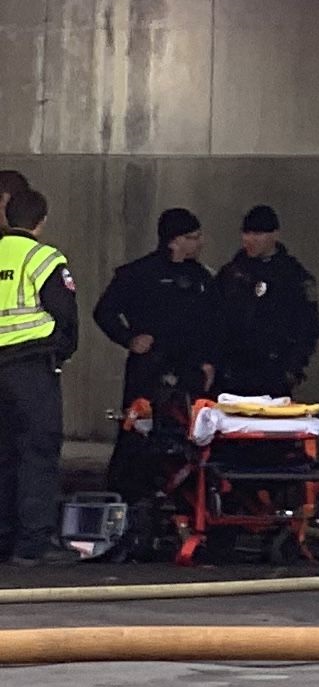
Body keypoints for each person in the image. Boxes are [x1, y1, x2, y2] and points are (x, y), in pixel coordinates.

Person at [95, 210, 218, 507]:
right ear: (174, 241)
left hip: (189, 371)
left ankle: (185, 501)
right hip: (149, 370)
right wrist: (129, 339)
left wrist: (207, 361)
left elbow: (214, 324)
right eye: (192, 237)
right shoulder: (139, 274)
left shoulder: (202, 278)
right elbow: (105, 312)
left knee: (191, 440)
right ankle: (128, 503)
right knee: (138, 437)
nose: (199, 243)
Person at [0, 188, 78, 566]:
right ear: (40, 222)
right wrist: (59, 351)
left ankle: (3, 537)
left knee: (3, 454)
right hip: (30, 368)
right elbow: (65, 316)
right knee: (37, 452)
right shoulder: (43, 257)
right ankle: (32, 544)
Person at [209, 207, 319, 399]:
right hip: (231, 373)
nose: (250, 239)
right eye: (247, 233)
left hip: (274, 373)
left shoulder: (293, 276)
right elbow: (213, 319)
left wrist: (292, 369)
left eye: (258, 234)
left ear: (274, 235)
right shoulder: (231, 274)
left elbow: (308, 327)